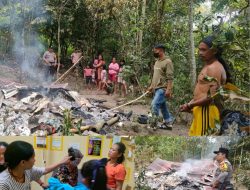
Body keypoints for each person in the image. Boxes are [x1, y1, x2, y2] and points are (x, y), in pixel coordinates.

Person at [180, 36, 232, 136]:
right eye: (199, 49)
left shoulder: (214, 68)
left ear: (214, 51)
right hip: (201, 110)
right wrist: (189, 104)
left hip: (207, 111)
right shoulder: (207, 66)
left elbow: (211, 97)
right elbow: (202, 91)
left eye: (204, 50)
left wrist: (190, 105)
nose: (200, 53)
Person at [0, 141, 71, 190]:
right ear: (23, 162)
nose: (35, 160)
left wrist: (61, 162)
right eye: (33, 157)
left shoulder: (27, 170)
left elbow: (44, 170)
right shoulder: (3, 184)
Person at [147, 44, 174, 130]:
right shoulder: (157, 62)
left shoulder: (168, 62)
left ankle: (153, 124)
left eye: (156, 50)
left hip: (162, 88)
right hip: (156, 88)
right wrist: (151, 86)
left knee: (154, 105)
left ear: (161, 51)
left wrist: (169, 89)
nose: (154, 52)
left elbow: (170, 77)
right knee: (163, 106)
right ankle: (168, 122)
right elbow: (155, 76)